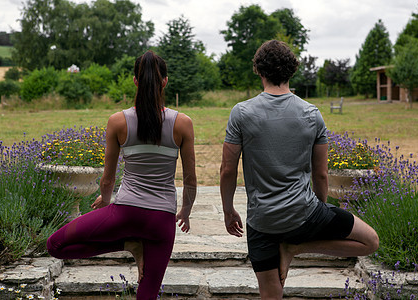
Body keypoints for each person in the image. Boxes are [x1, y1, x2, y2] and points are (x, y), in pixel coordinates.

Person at [220, 40, 379, 299]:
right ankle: (296, 248)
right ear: (291, 71)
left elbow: (227, 169)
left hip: (262, 222)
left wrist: (228, 210)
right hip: (305, 214)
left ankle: (290, 248)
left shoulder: (241, 113)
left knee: (271, 295)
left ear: (259, 71)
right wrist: (319, 215)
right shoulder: (311, 114)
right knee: (370, 241)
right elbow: (321, 174)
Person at [47, 50, 197, 300]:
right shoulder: (183, 123)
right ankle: (133, 245)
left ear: (135, 81)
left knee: (55, 245)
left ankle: (128, 244)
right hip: (162, 221)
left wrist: (105, 201)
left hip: (125, 213)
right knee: (147, 294)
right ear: (165, 81)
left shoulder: (118, 121)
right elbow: (190, 179)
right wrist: (186, 211)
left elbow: (108, 178)